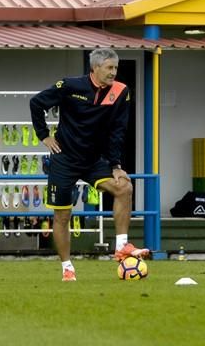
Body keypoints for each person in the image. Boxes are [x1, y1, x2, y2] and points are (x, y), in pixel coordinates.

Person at [30, 48, 148, 282]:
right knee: (63, 216)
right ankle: (67, 267)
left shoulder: (121, 92)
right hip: (64, 158)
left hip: (95, 160)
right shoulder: (71, 86)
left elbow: (118, 131)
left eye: (115, 68)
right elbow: (37, 103)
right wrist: (44, 135)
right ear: (94, 68)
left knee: (124, 187)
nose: (113, 72)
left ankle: (121, 247)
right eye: (109, 68)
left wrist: (115, 164)